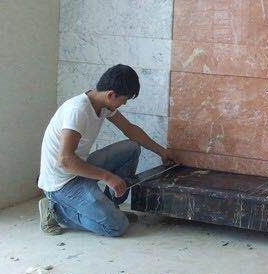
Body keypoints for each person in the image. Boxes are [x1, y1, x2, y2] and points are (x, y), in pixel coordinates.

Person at [37, 64, 177, 237]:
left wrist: (162, 151)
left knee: (131, 147)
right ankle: (55, 210)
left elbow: (130, 129)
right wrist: (107, 177)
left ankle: (110, 208)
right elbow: (65, 160)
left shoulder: (103, 105)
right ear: (111, 95)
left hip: (79, 168)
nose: (124, 103)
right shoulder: (77, 111)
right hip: (62, 183)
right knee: (116, 227)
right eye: (124, 99)